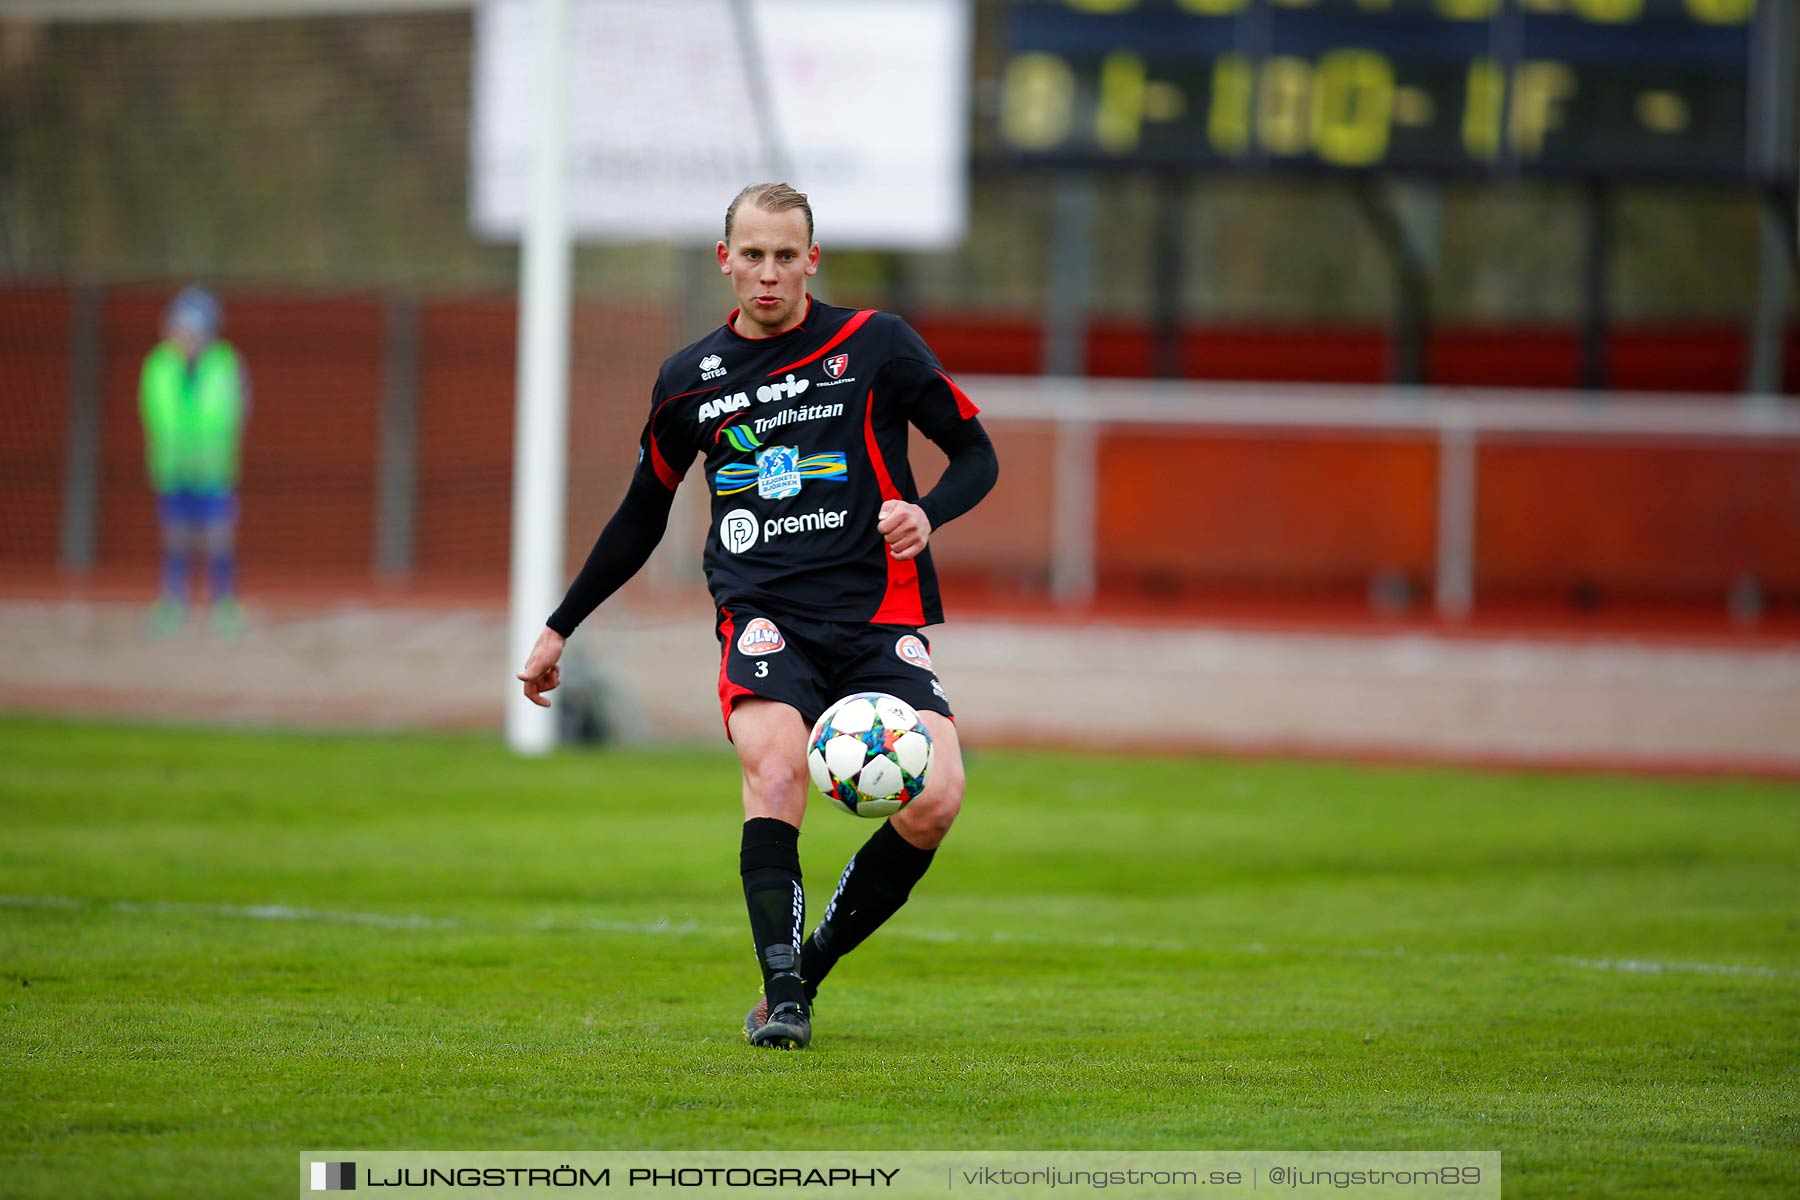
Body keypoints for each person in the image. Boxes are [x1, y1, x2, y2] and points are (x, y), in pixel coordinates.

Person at [516, 183, 999, 1049]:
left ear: (812, 260)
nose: (768, 274)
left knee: (939, 800)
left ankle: (807, 969)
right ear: (725, 260)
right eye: (752, 255)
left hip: (880, 619)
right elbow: (640, 514)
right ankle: (783, 997)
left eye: (786, 256)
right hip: (765, 615)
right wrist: (562, 624)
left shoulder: (875, 344)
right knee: (776, 772)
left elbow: (975, 453)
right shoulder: (687, 382)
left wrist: (929, 513)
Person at [139, 284, 249, 638]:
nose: (183, 336)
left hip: (214, 470)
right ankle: (173, 601)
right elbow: (156, 413)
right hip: (172, 470)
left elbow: (230, 413)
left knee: (218, 537)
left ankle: (224, 603)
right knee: (176, 537)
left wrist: (203, 447)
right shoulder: (159, 365)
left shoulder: (224, 364)